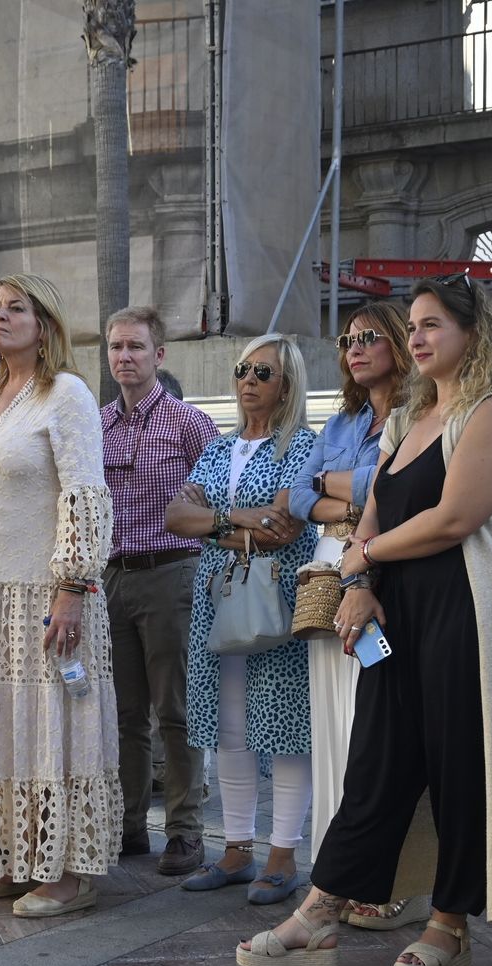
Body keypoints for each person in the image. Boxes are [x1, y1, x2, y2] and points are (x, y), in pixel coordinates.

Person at [237, 275, 492, 966]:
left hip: (464, 607)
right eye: (411, 326)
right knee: (377, 761)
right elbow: (377, 505)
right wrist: (358, 581)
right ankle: (322, 910)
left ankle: (450, 925)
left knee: (458, 768)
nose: (414, 338)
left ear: (475, 334)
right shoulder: (411, 414)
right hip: (395, 604)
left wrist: (363, 557)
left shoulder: (491, 412)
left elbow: (454, 518)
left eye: (431, 326)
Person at [0, 272, 121, 917]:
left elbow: (84, 494)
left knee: (55, 723)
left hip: (49, 593)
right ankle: (19, 858)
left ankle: (66, 873)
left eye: (17, 309)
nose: (1, 317)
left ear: (46, 324)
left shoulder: (65, 393)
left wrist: (72, 586)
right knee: (1, 728)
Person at [165, 334, 317, 905]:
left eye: (263, 372)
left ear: (287, 384)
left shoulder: (303, 448)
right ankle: (234, 850)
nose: (248, 380)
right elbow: (176, 514)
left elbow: (285, 527)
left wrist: (216, 523)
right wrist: (236, 520)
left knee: (282, 728)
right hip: (219, 601)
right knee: (229, 730)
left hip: (274, 602)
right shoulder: (219, 448)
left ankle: (282, 854)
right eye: (242, 370)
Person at [286, 300, 421, 927]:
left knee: (378, 733)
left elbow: (396, 485)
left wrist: (347, 486)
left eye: (369, 337)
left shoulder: (422, 412)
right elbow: (299, 495)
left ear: (398, 341)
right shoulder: (342, 420)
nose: (355, 348)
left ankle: (388, 877)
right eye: (347, 339)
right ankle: (336, 877)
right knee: (336, 729)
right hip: (327, 581)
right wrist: (358, 483)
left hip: (389, 579)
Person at [100, 306, 219, 875]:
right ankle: (128, 827)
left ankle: (185, 831)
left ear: (159, 355)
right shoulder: (96, 424)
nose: (125, 357)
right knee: (124, 714)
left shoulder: (188, 423)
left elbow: (220, 494)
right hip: (112, 577)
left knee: (175, 710)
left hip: (173, 574)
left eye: (136, 348)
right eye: (117, 348)